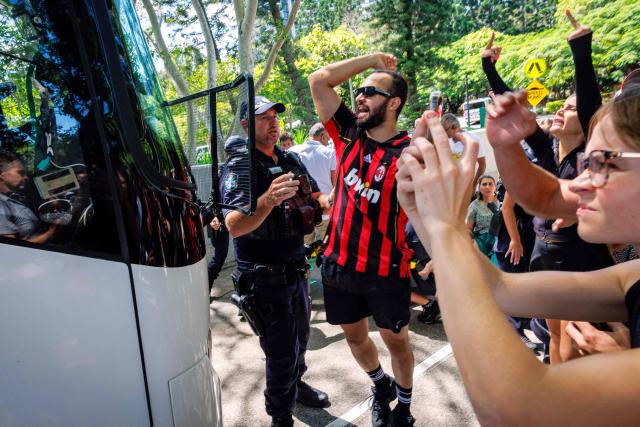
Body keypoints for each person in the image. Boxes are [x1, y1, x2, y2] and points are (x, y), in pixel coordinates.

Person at [395, 86, 640, 425]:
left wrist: (446, 227)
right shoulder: (633, 275)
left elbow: (517, 408)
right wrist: (420, 210)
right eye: (586, 163)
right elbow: (498, 289)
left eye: (603, 164)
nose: (580, 183)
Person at [482, 12, 614, 363]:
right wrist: (489, 69)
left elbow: (590, 108)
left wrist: (580, 49)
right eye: (560, 106)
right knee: (554, 334)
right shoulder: (547, 148)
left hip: (581, 257)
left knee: (580, 340)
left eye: (568, 109)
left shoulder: (590, 154)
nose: (560, 111)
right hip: (544, 252)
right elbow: (511, 111)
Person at [309, 53, 416, 426]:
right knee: (356, 340)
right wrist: (372, 60)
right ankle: (379, 385)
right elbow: (318, 79)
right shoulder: (348, 134)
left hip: (386, 269)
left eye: (372, 91)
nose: (360, 96)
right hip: (338, 265)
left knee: (398, 343)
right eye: (359, 90)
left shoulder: (411, 153)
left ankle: (403, 406)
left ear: (394, 102)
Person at [220, 96, 330, 427]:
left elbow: (313, 196)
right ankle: (280, 416)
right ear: (245, 125)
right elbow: (234, 225)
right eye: (263, 117)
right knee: (280, 353)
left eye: (274, 116)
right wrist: (267, 200)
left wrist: (328, 200)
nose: (273, 122)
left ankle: (296, 386)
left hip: (296, 271)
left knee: (301, 340)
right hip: (265, 280)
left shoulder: (288, 158)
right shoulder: (241, 167)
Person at [288, 122, 336, 245]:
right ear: (323, 136)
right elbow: (335, 184)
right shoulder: (329, 153)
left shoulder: (291, 152)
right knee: (328, 251)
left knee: (305, 255)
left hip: (301, 214)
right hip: (325, 212)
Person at [0, 149, 57, 243]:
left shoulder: (17, 195)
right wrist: (51, 232)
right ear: (1, 174)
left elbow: (39, 172)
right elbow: (11, 249)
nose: (26, 177)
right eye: (20, 173)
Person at [440, 113, 486, 189]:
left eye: (445, 131)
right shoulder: (446, 141)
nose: (444, 134)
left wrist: (473, 186)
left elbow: (482, 165)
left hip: (469, 188)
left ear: (453, 127)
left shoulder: (474, 139)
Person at [466, 175, 499, 262]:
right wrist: (472, 243)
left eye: (490, 184)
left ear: (495, 187)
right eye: (484, 184)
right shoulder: (474, 205)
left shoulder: (501, 201)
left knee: (496, 266)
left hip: (499, 240)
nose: (487, 187)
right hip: (481, 241)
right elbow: (468, 229)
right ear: (479, 188)